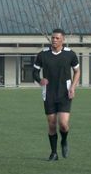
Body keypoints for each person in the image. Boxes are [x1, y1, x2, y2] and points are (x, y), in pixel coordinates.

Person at [33, 28, 80, 161]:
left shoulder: (70, 54)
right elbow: (35, 72)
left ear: (63, 40)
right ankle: (54, 153)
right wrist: (40, 80)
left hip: (65, 93)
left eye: (57, 38)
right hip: (49, 93)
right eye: (53, 38)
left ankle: (64, 140)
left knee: (63, 124)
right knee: (52, 124)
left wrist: (73, 87)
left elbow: (77, 71)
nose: (54, 40)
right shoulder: (43, 55)